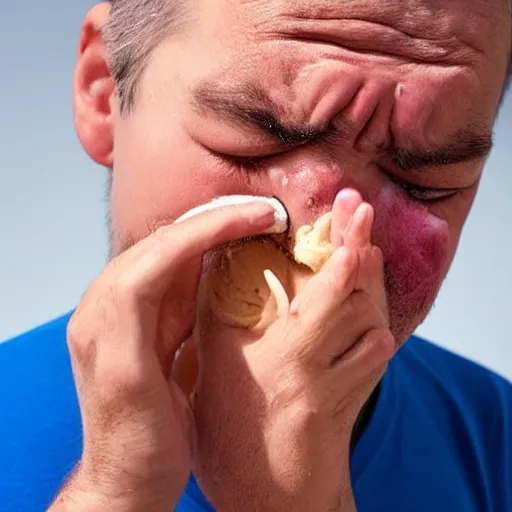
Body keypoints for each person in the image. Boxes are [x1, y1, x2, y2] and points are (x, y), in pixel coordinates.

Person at [1, 0, 511, 510]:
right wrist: (112, 495)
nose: (328, 235)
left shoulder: (495, 449)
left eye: (421, 179)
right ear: (104, 90)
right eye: (259, 137)